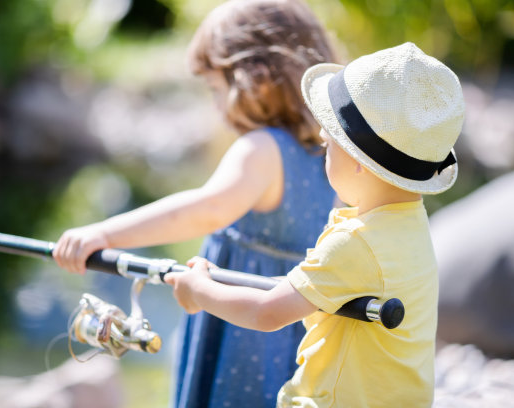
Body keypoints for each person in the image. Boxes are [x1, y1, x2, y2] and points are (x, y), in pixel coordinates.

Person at [53, 1, 338, 407]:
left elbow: (202, 210)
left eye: (215, 89)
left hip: (243, 332)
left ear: (254, 81)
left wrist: (103, 233)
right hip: (300, 328)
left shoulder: (261, 149)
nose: (215, 104)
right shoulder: (333, 156)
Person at [165, 42, 465, 407]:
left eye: (327, 145)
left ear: (358, 161)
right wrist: (220, 279)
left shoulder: (356, 243)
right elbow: (308, 287)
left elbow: (268, 312)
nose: (324, 153)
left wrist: (199, 291)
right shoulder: (411, 226)